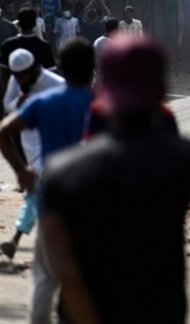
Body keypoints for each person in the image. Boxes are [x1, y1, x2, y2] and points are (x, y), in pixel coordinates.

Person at [39, 37, 190, 324]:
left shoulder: (62, 169)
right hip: (161, 311)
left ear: (104, 87)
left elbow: (64, 266)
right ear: (162, 86)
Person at [0, 38, 95, 324]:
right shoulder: (101, 102)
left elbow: (4, 130)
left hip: (53, 194)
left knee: (45, 277)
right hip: (89, 197)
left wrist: (20, 171)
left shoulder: (44, 101)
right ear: (92, 68)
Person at [0, 49, 65, 260]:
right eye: (17, 77)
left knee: (36, 190)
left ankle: (17, 238)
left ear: (34, 70)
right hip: (29, 143)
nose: (20, 80)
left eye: (24, 76)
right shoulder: (16, 82)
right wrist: (17, 103)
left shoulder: (55, 84)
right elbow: (8, 104)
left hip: (54, 144)